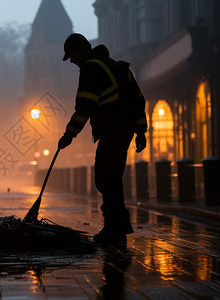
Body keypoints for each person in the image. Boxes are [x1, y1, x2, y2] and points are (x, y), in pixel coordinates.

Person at [58, 33, 147, 244]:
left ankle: (114, 228)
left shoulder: (91, 68)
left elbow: (84, 107)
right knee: (112, 176)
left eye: (71, 56)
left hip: (112, 128)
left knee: (106, 177)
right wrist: (141, 131)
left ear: (79, 51)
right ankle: (119, 224)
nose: (71, 61)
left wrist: (68, 135)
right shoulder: (116, 66)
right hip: (123, 130)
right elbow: (138, 99)